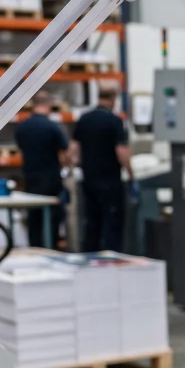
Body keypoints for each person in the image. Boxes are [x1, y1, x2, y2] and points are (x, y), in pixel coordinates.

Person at [70, 88, 133, 251]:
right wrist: (132, 175)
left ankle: (90, 258)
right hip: (110, 181)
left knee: (92, 222)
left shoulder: (84, 119)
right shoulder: (114, 121)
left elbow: (74, 149)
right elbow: (121, 151)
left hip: (89, 180)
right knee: (112, 224)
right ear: (113, 99)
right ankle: (111, 259)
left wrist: (78, 166)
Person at [14, 90, 68, 249]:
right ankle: (51, 249)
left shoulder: (22, 128)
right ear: (49, 105)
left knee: (34, 218)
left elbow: (21, 150)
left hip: (30, 178)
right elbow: (64, 154)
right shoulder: (53, 127)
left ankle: (34, 250)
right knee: (52, 218)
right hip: (51, 179)